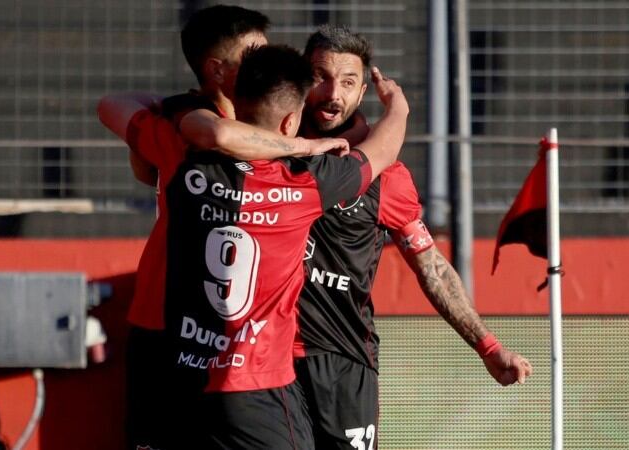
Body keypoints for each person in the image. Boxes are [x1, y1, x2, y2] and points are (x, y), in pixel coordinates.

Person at [98, 6, 349, 449]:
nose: (263, 60)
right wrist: (303, 146)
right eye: (253, 52)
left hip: (230, 331)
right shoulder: (186, 130)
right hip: (169, 323)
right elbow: (123, 112)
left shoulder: (191, 119)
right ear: (216, 69)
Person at [291, 25, 534, 450]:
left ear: (364, 89)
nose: (333, 93)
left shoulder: (388, 177)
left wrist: (488, 345)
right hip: (268, 360)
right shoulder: (268, 153)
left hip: (345, 362)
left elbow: (432, 266)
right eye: (319, 76)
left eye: (348, 82)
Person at [161, 44, 407, 449]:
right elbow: (382, 151)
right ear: (292, 121)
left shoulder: (185, 159)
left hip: (183, 381)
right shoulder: (307, 182)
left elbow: (118, 107)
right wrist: (398, 107)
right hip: (261, 389)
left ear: (234, 103)